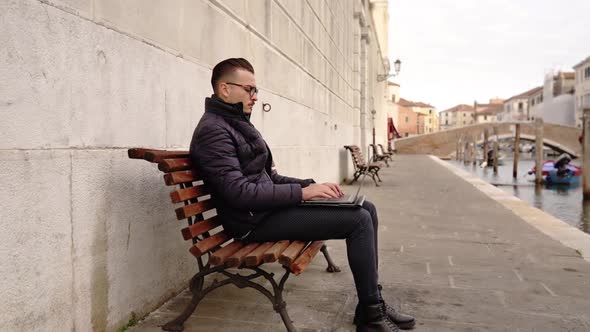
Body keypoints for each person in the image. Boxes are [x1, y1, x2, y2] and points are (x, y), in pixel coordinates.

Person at [189, 58, 415, 332]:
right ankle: (371, 316)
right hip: (250, 223)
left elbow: (268, 178)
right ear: (225, 89)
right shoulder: (214, 130)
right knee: (358, 220)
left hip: (264, 212)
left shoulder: (235, 124)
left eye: (256, 90)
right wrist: (303, 193)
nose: (255, 97)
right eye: (250, 90)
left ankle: (371, 302)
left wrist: (312, 185)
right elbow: (239, 194)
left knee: (367, 208)